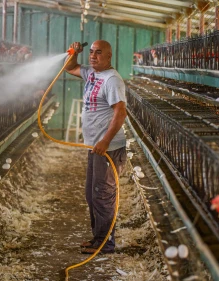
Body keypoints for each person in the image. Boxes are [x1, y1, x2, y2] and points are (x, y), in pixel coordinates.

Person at [65, 40, 127, 255]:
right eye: (91, 52)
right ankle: (98, 238)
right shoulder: (92, 73)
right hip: (95, 146)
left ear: (108, 56)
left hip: (108, 148)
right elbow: (70, 67)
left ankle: (106, 243)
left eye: (98, 53)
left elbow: (120, 112)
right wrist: (74, 53)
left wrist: (105, 141)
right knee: (91, 195)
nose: (93, 56)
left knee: (102, 195)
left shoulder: (112, 80)